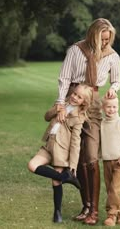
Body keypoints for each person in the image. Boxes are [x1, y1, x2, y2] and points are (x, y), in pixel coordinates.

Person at [55, 18, 120, 225]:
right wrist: (60, 104)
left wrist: (113, 89)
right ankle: (86, 207)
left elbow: (117, 80)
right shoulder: (75, 50)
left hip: (92, 105)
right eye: (101, 39)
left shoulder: (112, 56)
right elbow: (65, 78)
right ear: (93, 34)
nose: (104, 43)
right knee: (77, 157)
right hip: (73, 102)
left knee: (91, 157)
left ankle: (93, 210)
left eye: (108, 39)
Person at [27, 84, 93, 223]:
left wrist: (73, 164)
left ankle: (57, 213)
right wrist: (57, 109)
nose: (74, 97)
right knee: (32, 165)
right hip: (48, 146)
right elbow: (46, 116)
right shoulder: (61, 104)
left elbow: (75, 143)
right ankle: (67, 177)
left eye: (79, 97)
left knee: (56, 181)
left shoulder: (78, 118)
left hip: (61, 151)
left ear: (84, 102)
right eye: (74, 94)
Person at [100, 96, 120, 226]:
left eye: (114, 107)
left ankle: (111, 215)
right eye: (108, 107)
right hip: (107, 161)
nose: (111, 109)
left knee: (115, 189)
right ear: (103, 108)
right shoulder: (102, 124)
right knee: (111, 190)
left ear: (118, 107)